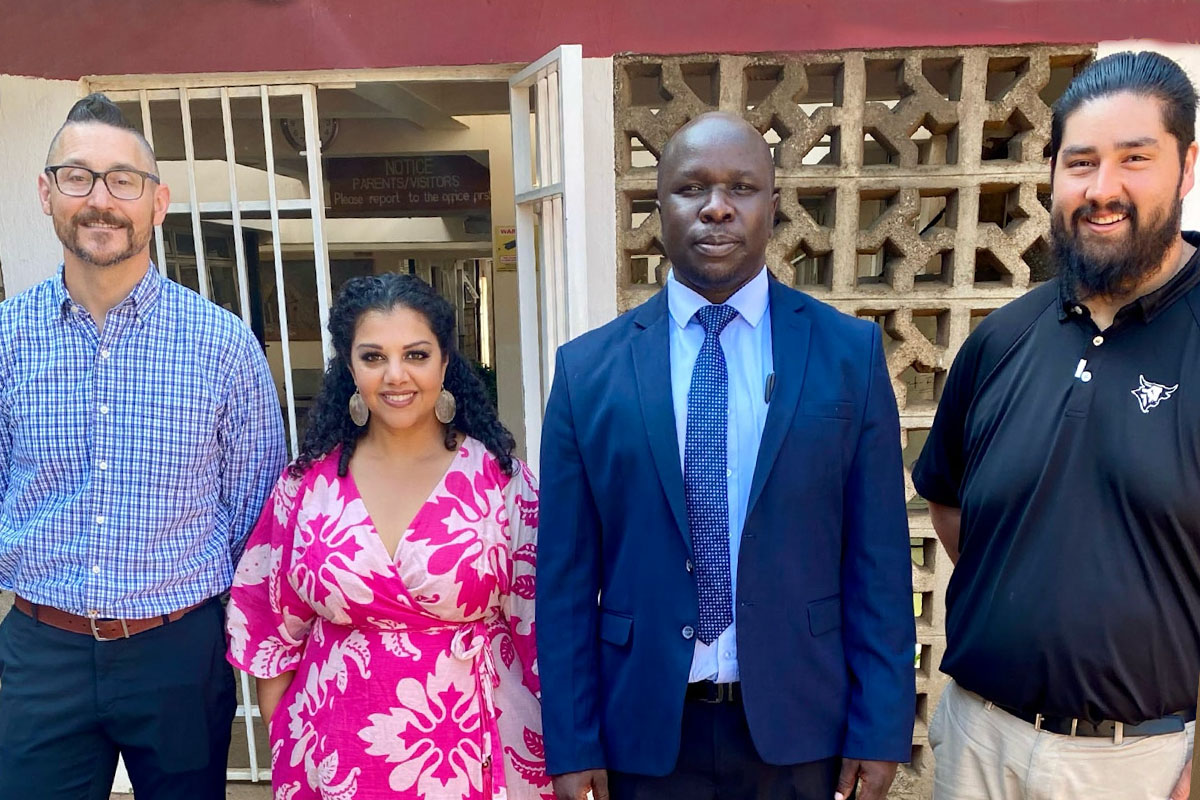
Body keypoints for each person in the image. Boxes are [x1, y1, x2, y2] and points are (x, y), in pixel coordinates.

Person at [537, 111, 916, 800]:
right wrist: (571, 739)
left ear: (772, 206)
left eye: (741, 187)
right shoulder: (586, 371)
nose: (717, 206)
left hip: (802, 726)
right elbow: (563, 581)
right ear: (660, 207)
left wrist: (881, 725)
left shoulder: (846, 356)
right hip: (644, 730)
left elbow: (879, 564)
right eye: (692, 188)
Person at [913, 50, 1200, 800]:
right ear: (1053, 176)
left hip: (1139, 765)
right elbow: (951, 505)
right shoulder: (1001, 339)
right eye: (1081, 163)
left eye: (1135, 159)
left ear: (1187, 165)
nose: (1102, 190)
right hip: (977, 740)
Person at [0, 93, 287, 799]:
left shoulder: (222, 345)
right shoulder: (7, 338)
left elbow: (260, 515)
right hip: (41, 650)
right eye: (78, 177)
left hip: (178, 652)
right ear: (46, 193)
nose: (101, 200)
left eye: (122, 180)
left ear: (157, 202)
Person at [226, 273, 547, 800]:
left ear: (445, 363)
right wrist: (286, 733)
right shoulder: (309, 485)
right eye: (373, 357)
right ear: (349, 367)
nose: (395, 376)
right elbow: (269, 620)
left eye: (416, 355)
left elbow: (543, 627)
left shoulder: (502, 482)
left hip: (473, 747)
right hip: (334, 749)